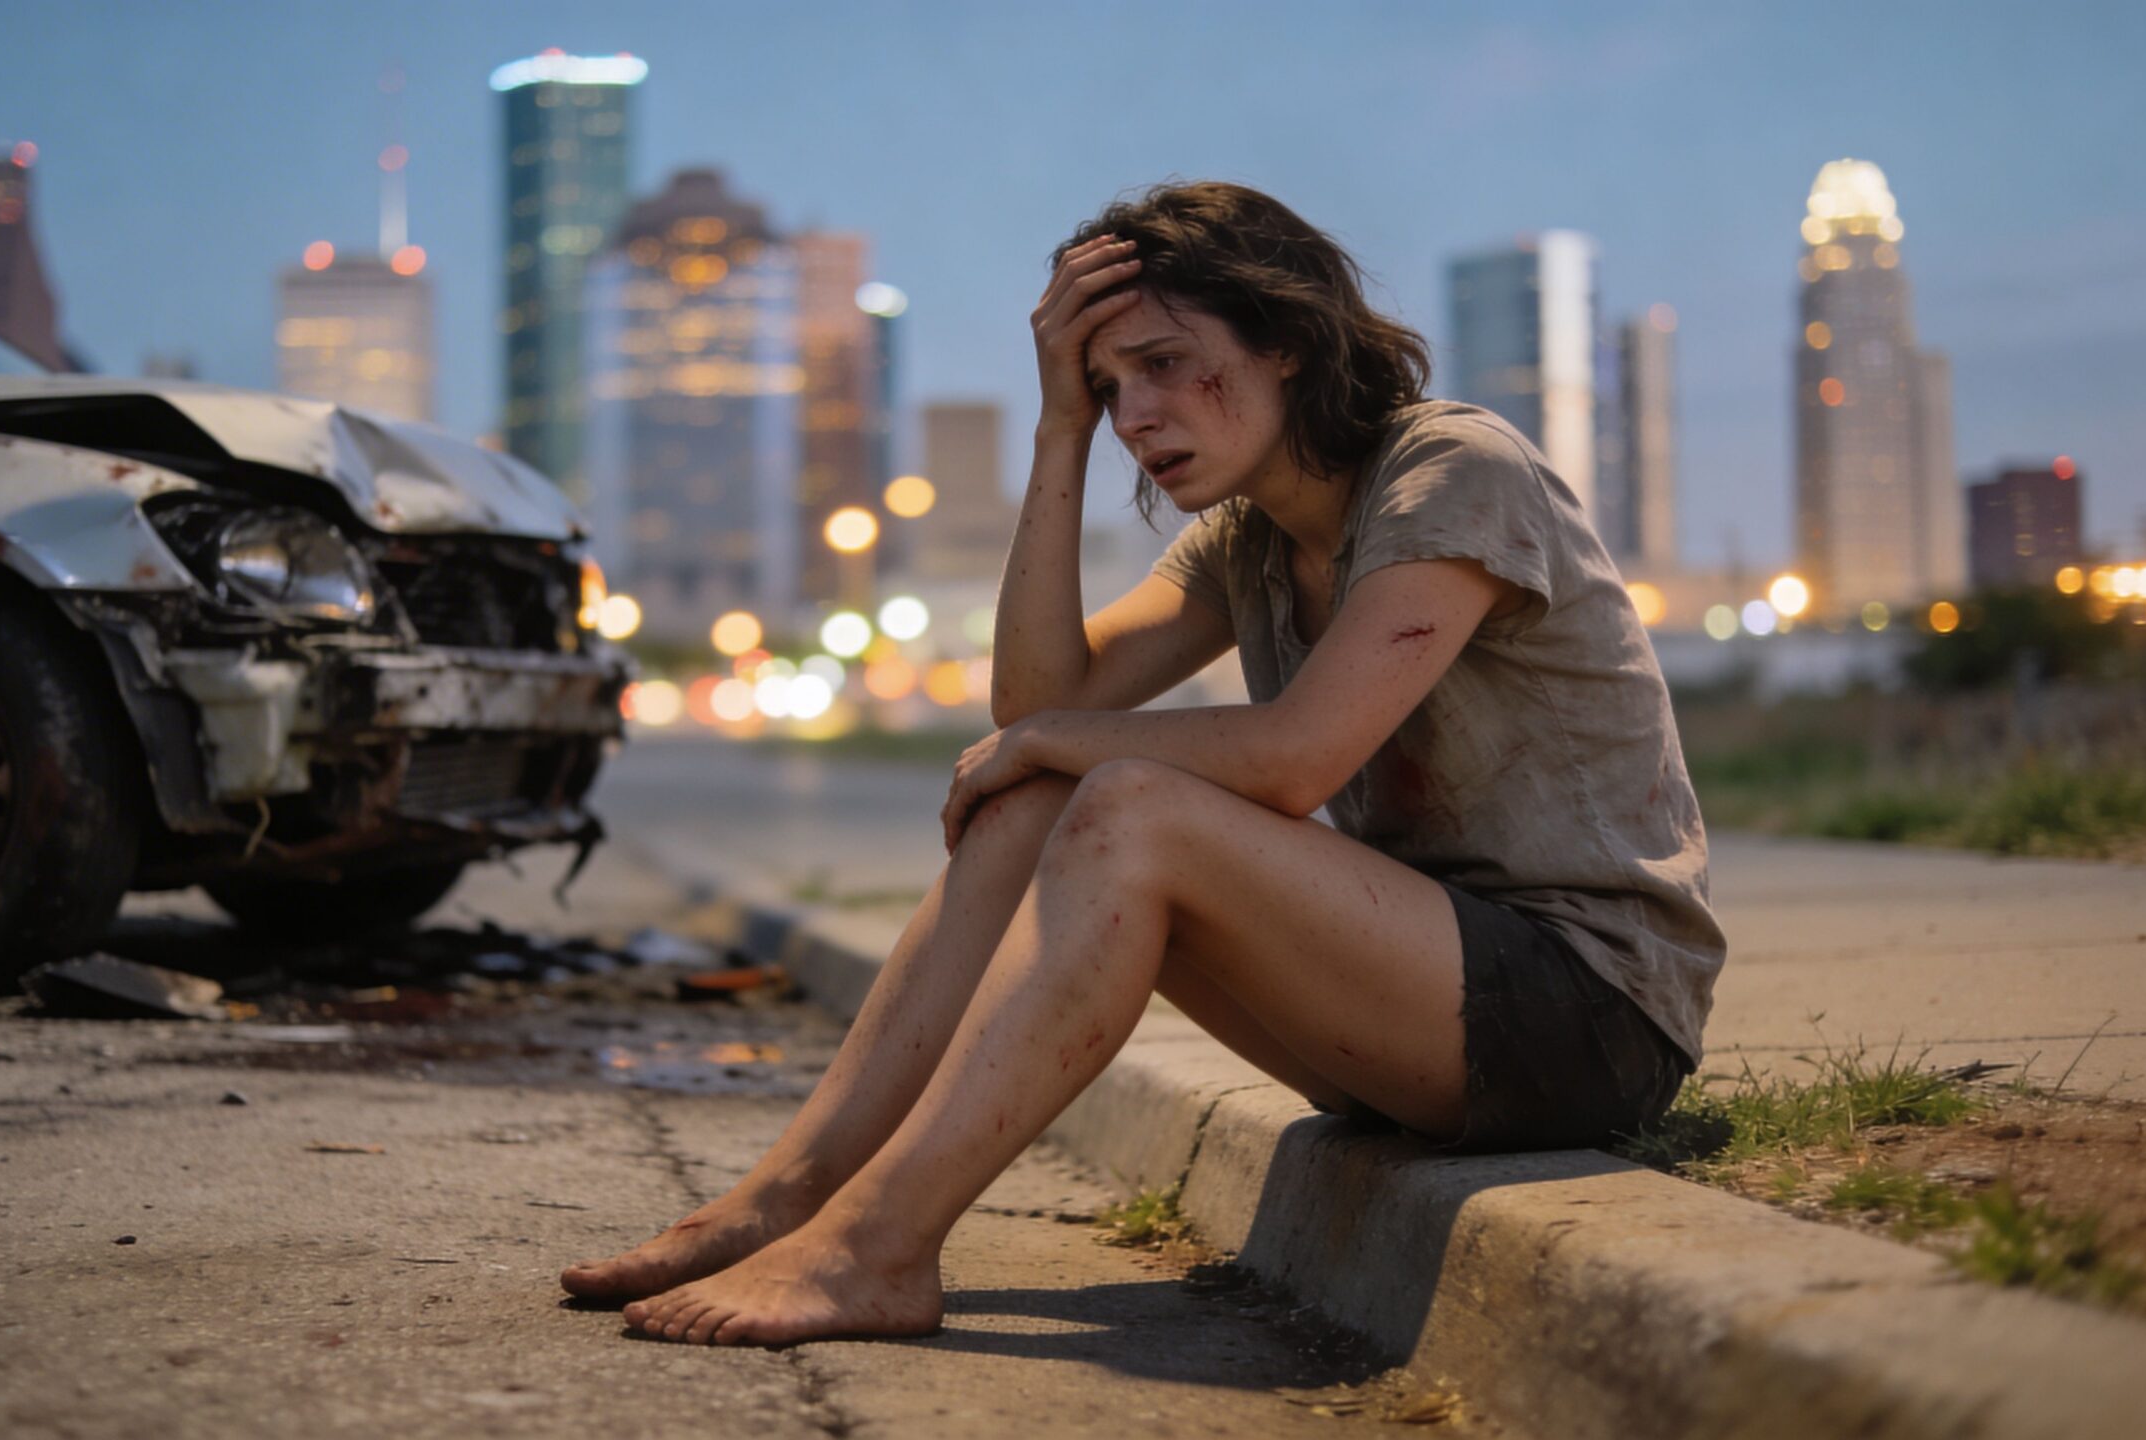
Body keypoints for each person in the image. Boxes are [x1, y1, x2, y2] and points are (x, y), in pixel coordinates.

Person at [561, 181, 1725, 1347]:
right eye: (1111, 387)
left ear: (1288, 341)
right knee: (1043, 797)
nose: (1138, 416)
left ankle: (876, 1248)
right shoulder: (1250, 540)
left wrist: (1051, 742)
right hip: (1415, 1007)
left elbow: (1290, 759)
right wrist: (1054, 427)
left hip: (1591, 1015)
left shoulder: (1453, 468)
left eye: (1166, 364)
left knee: (1126, 806)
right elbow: (1037, 707)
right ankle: (790, 1199)